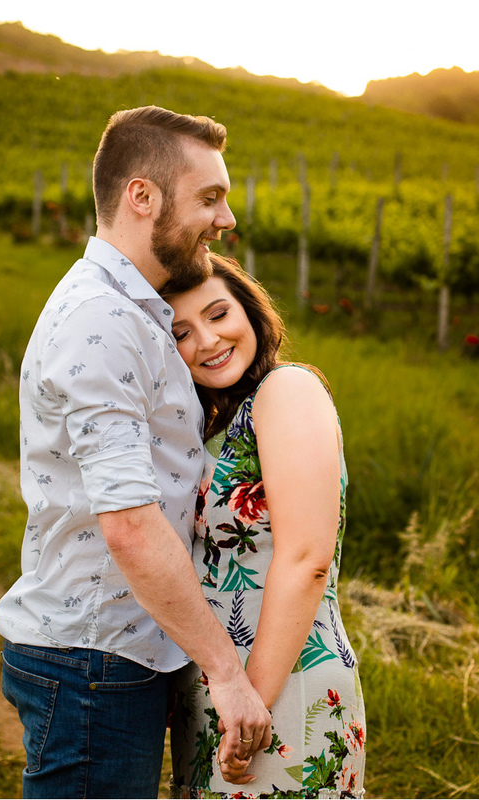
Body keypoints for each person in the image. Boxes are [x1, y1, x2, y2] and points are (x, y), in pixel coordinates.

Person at [0, 106, 272, 799]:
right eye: (211, 197)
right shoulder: (103, 319)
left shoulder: (136, 309)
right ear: (142, 196)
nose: (226, 219)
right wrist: (227, 674)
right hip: (95, 662)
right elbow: (128, 522)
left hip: (116, 654)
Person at [164, 256, 366, 798]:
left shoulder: (287, 392)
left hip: (282, 688)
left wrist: (250, 703)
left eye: (218, 314)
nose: (206, 340)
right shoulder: (218, 423)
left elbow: (306, 560)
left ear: (250, 311)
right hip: (227, 698)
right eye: (181, 332)